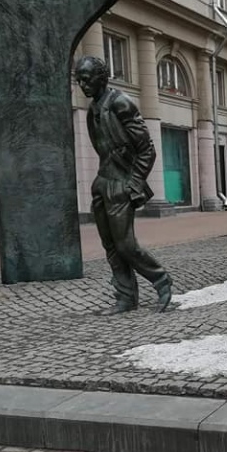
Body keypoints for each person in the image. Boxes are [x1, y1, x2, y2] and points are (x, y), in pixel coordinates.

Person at [74, 56, 172, 314]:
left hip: (121, 184)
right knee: (111, 246)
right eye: (79, 80)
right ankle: (126, 297)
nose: (82, 85)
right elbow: (101, 148)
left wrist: (134, 183)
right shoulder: (92, 110)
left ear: (101, 77)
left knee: (125, 245)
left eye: (86, 79)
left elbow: (147, 149)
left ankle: (161, 279)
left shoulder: (120, 103)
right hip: (102, 181)